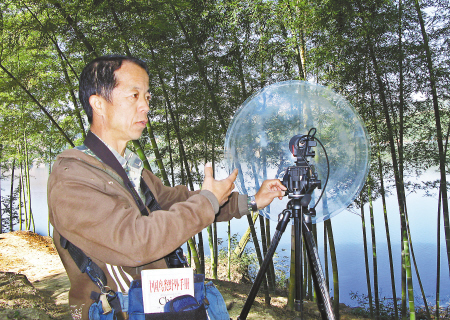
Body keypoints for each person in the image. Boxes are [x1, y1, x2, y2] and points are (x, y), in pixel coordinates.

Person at [47, 55, 286, 320]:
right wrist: (207, 201)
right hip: (122, 312)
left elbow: (177, 201)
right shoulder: (72, 177)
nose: (145, 106)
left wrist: (250, 201)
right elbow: (135, 241)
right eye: (134, 95)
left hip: (161, 308)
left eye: (147, 97)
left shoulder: (131, 170)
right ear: (98, 104)